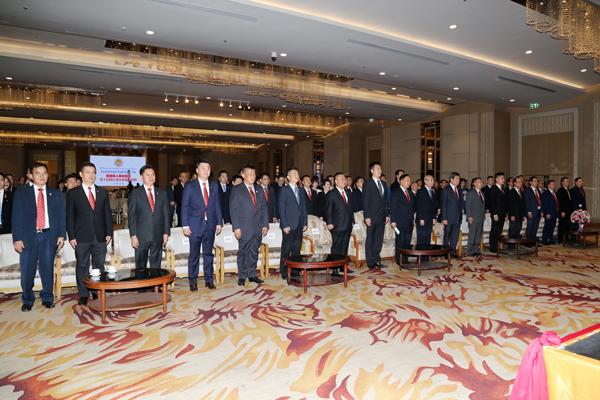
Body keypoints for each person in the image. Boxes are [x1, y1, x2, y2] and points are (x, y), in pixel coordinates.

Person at [12, 162, 65, 311]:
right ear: (31, 175)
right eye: (37, 173)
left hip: (49, 236)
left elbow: (61, 216)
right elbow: (16, 217)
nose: (41, 176)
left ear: (48, 176)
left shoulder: (56, 194)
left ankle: (47, 298)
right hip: (28, 238)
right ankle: (27, 299)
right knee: (27, 271)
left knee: (47, 269)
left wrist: (61, 235)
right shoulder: (21, 193)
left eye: (44, 173)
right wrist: (17, 239)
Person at [66, 162, 112, 306]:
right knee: (82, 265)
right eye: (88, 172)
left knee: (99, 265)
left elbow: (107, 214)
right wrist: (71, 236)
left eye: (93, 172)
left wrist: (109, 232)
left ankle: (96, 290)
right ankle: (83, 293)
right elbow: (70, 217)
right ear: (81, 174)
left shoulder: (102, 192)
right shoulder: (73, 193)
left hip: (100, 235)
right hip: (81, 236)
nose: (91, 175)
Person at [182, 160, 222, 291]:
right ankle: (193, 281)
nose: (206, 170)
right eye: (203, 168)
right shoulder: (190, 185)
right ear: (197, 170)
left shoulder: (214, 185)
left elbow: (217, 205)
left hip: (210, 225)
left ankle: (209, 280)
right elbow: (185, 206)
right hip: (194, 226)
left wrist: (219, 222)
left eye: (208, 168)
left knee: (208, 254)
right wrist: (185, 225)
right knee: (194, 255)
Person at [229, 165, 268, 286]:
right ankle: (242, 276)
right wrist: (236, 228)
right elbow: (234, 210)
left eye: (254, 174)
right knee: (243, 252)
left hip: (257, 227)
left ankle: (252, 274)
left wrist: (265, 224)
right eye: (250, 174)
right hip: (244, 228)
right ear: (243, 175)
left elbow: (264, 208)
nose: (252, 176)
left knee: (254, 252)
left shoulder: (259, 189)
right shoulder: (237, 189)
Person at [128, 165, 170, 271]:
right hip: (141, 236)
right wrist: (133, 235)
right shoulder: (135, 194)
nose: (151, 177)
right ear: (141, 177)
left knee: (156, 265)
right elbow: (132, 216)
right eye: (148, 175)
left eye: (153, 175)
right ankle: (141, 282)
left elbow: (166, 214)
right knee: (141, 266)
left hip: (158, 235)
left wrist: (166, 232)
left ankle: (155, 282)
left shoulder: (162, 193)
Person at [277, 167, 307, 280]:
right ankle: (284, 270)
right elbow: (281, 208)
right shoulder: (284, 190)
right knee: (286, 248)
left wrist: (305, 222)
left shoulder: (301, 190)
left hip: (299, 224)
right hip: (289, 224)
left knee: (296, 248)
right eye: (294, 174)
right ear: (288, 177)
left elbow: (303, 208)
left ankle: (295, 270)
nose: (297, 176)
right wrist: (284, 224)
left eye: (297, 174)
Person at [325, 172, 354, 274]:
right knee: (336, 247)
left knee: (344, 246)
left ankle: (342, 266)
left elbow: (350, 209)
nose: (344, 181)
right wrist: (329, 222)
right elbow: (328, 209)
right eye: (341, 179)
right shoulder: (331, 193)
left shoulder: (348, 192)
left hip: (348, 224)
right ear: (336, 181)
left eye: (344, 179)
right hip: (337, 225)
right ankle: (334, 268)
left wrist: (352, 221)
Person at [362, 162, 389, 269]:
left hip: (382, 216)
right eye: (377, 168)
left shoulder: (383, 184)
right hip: (371, 216)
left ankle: (377, 259)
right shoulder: (368, 183)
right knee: (370, 239)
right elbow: (365, 200)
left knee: (378, 239)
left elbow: (385, 202)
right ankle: (370, 261)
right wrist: (367, 216)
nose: (380, 170)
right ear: (372, 171)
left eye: (380, 169)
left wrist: (387, 214)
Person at [390, 174, 414, 265]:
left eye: (409, 180)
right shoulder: (396, 192)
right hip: (400, 221)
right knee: (400, 241)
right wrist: (393, 220)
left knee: (407, 242)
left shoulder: (410, 192)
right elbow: (393, 207)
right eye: (407, 180)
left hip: (409, 222)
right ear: (401, 181)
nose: (409, 182)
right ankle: (398, 259)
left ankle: (405, 259)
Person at [440, 172, 462, 257]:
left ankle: (453, 252)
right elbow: (443, 205)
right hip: (448, 218)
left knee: (455, 236)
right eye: (457, 179)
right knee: (447, 236)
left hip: (457, 218)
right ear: (451, 179)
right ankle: (446, 253)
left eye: (459, 179)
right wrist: (444, 218)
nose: (458, 180)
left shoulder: (458, 190)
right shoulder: (446, 189)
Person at [415, 175, 436, 250]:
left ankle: (426, 254)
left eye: (433, 180)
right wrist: (421, 218)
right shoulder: (421, 191)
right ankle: (420, 255)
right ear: (425, 181)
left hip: (430, 219)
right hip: (422, 219)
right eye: (431, 180)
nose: (433, 182)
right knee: (421, 238)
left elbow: (433, 207)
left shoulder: (432, 192)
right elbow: (419, 205)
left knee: (427, 238)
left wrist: (433, 218)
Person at [465, 177, 485, 257]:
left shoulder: (482, 193)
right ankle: (469, 251)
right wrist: (469, 216)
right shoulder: (471, 193)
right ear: (474, 184)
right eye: (479, 182)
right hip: (473, 217)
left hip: (480, 218)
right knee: (472, 234)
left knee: (478, 235)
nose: (481, 183)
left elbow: (482, 206)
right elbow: (468, 205)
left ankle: (476, 250)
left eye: (481, 182)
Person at [488, 172, 507, 253]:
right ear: (497, 179)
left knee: (499, 231)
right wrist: (494, 213)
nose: (504, 180)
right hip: (496, 214)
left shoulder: (503, 189)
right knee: (495, 230)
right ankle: (492, 247)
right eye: (502, 178)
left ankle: (496, 246)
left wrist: (506, 213)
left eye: (504, 178)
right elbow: (492, 202)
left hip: (502, 213)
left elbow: (504, 203)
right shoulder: (493, 189)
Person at [541, 180, 559, 245]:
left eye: (554, 184)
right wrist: (547, 213)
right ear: (548, 185)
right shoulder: (546, 193)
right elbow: (545, 204)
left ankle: (550, 238)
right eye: (552, 184)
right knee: (547, 227)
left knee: (552, 227)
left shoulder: (554, 193)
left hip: (554, 213)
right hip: (549, 213)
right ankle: (545, 240)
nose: (554, 185)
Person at [524, 176, 542, 241]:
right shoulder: (527, 190)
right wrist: (529, 211)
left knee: (535, 227)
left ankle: (533, 240)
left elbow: (540, 201)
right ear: (530, 182)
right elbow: (527, 202)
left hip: (538, 211)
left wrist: (541, 211)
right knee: (530, 227)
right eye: (535, 181)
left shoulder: (538, 190)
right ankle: (528, 241)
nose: (536, 182)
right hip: (531, 212)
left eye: (537, 181)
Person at [556, 177, 572, 243]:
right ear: (562, 183)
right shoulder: (560, 190)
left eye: (568, 181)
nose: (568, 182)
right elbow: (560, 202)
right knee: (562, 225)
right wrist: (562, 211)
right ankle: (561, 239)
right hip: (563, 211)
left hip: (568, 211)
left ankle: (566, 238)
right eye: (566, 181)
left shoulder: (568, 190)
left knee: (567, 225)